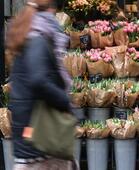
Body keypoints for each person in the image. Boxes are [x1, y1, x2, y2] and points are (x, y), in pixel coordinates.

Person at [6, 0, 75, 169]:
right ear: (51, 10)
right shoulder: (39, 38)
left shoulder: (26, 33)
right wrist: (64, 101)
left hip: (29, 131)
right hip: (40, 134)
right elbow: (39, 80)